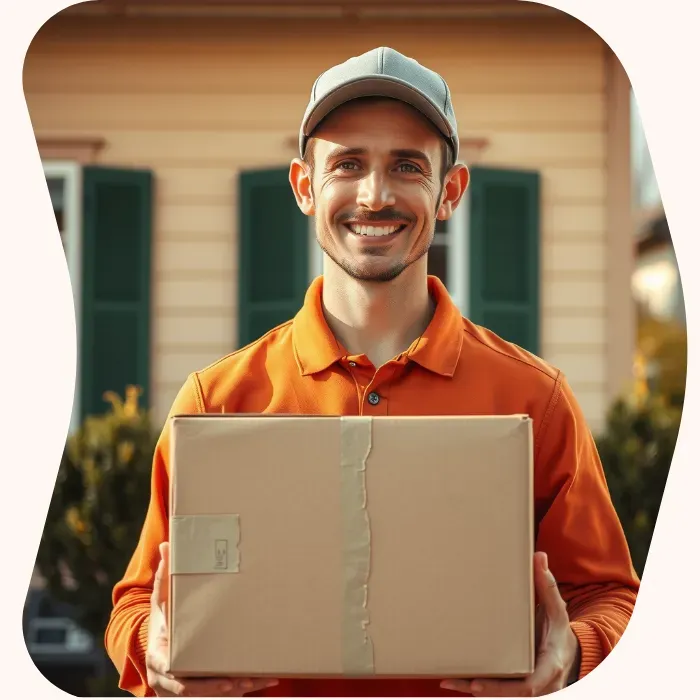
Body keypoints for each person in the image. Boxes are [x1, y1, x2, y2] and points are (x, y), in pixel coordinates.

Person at [105, 46, 639, 698]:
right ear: (305, 187)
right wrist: (151, 652)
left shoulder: (536, 399)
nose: (375, 195)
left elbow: (610, 597)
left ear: (450, 191)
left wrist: (574, 656)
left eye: (407, 166)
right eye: (348, 165)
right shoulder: (216, 400)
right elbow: (137, 603)